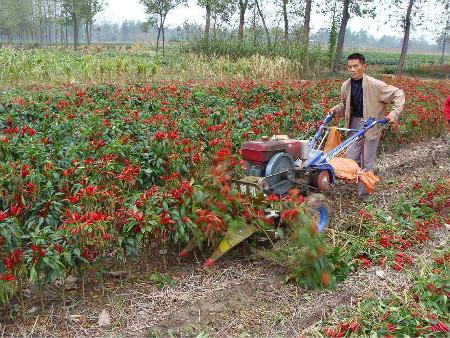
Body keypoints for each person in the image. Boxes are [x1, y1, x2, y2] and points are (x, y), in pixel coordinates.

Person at [330, 53, 405, 199]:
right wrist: (334, 110)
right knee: (351, 158)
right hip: (353, 124)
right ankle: (357, 180)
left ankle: (364, 193)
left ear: (364, 66)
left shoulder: (375, 85)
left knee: (366, 159)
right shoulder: (346, 86)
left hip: (371, 124)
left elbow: (399, 94)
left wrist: (393, 114)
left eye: (355, 66)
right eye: (349, 67)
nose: (352, 70)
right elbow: (345, 105)